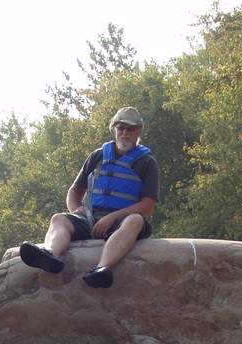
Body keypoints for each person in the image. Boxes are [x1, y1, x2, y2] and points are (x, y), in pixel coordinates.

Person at [20, 107, 160, 288]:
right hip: (91, 217)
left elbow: (148, 206)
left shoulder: (147, 162)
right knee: (58, 219)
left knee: (135, 220)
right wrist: (76, 209)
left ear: (139, 130)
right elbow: (75, 191)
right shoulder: (98, 156)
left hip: (122, 221)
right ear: (115, 129)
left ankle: (101, 269)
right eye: (121, 128)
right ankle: (50, 254)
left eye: (130, 129)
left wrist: (112, 217)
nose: (125, 133)